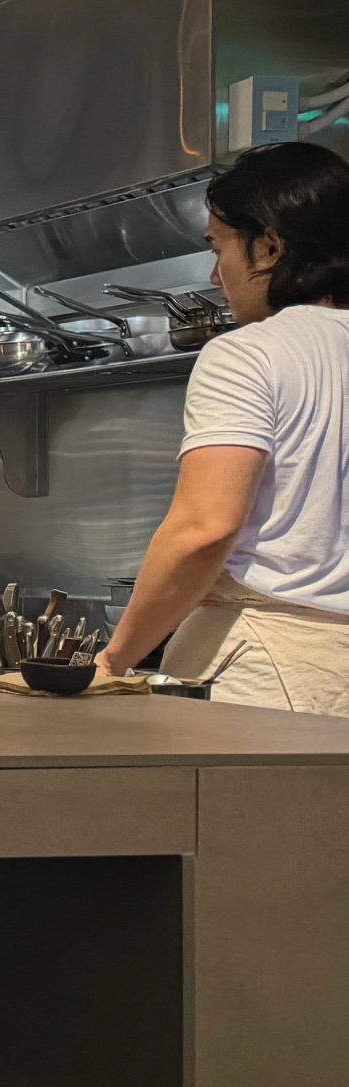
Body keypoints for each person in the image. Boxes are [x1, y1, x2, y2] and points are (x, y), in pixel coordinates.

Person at [99, 143, 349, 714]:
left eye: (219, 248)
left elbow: (205, 529)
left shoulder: (249, 353)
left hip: (267, 671)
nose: (215, 277)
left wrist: (114, 660)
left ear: (269, 247)